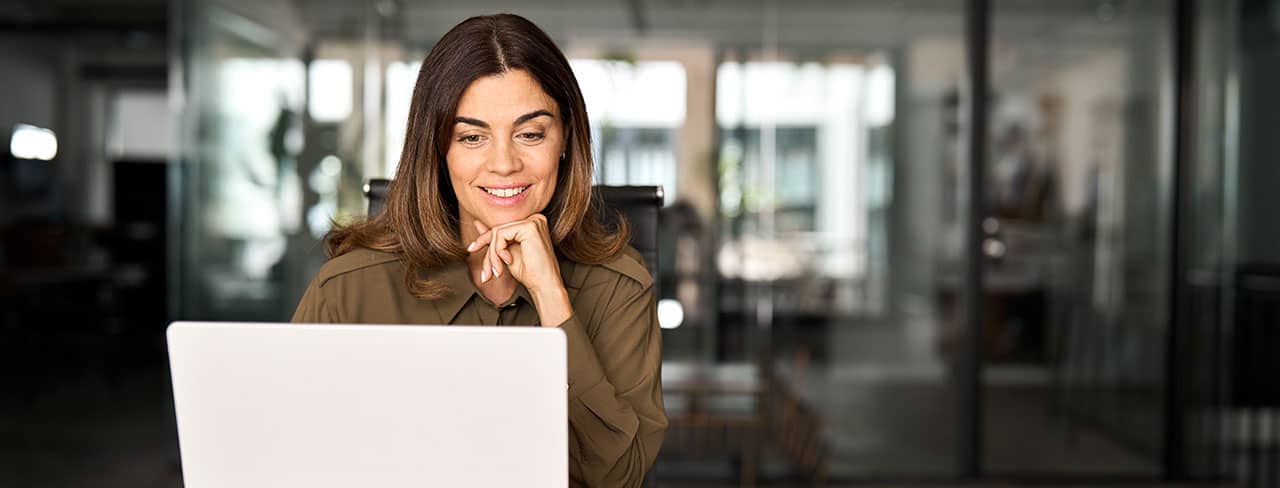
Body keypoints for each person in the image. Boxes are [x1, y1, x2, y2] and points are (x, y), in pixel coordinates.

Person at [290, 13, 667, 487]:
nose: (505, 163)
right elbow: (291, 463)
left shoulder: (618, 286)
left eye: (530, 134)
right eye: (472, 137)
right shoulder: (347, 290)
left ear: (566, 138)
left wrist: (555, 302)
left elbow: (620, 478)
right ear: (437, 149)